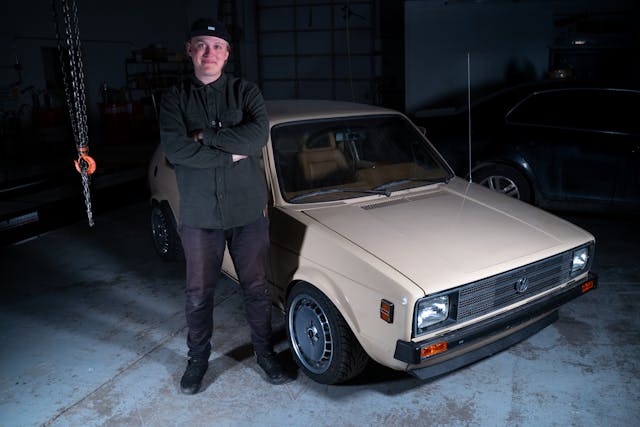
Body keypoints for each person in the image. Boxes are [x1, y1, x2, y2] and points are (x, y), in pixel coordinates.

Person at [159, 18, 290, 394]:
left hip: (247, 214)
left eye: (217, 46)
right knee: (199, 294)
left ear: (227, 54)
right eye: (201, 45)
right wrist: (227, 154)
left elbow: (257, 136)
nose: (209, 53)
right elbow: (176, 150)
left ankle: (265, 353)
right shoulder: (173, 99)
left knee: (256, 288)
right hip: (200, 217)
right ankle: (197, 359)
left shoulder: (245, 92)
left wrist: (206, 138)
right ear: (189, 50)